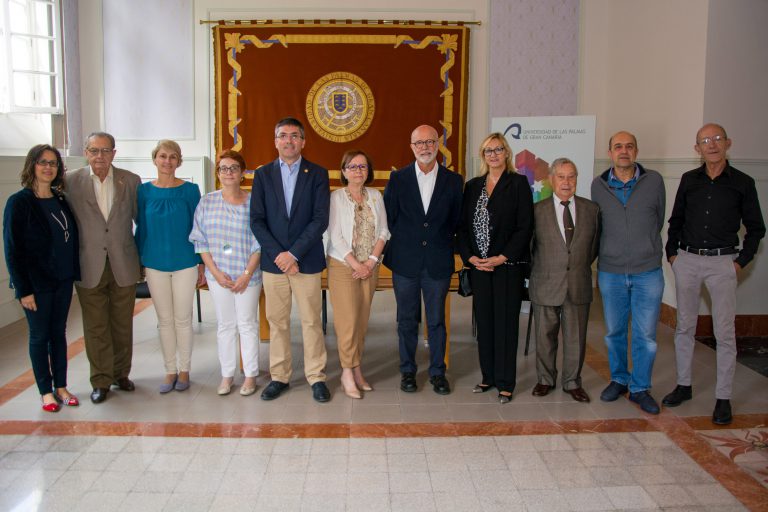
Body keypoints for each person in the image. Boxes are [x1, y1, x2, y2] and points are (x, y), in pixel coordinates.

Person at [663, 123, 765, 425]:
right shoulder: (689, 180)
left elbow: (756, 228)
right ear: (697, 149)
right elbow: (676, 220)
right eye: (705, 141)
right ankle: (683, 385)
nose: (711, 145)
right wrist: (673, 255)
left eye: (717, 139)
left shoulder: (743, 183)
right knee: (684, 327)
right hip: (688, 260)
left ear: (727, 143)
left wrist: (739, 263)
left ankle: (723, 397)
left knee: (724, 333)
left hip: (723, 263)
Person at [250, 117, 331, 403]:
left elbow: (320, 219)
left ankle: (316, 377)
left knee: (311, 321)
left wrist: (293, 254)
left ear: (303, 141)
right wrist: (280, 256)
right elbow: (257, 221)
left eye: (294, 136)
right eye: (282, 136)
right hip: (274, 263)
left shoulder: (318, 174)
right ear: (275, 141)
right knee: (278, 322)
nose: (288, 141)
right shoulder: (262, 175)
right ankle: (280, 376)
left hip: (305, 260)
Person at [383, 124, 463, 395]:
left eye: (430, 142)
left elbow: (456, 221)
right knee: (406, 319)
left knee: (437, 320)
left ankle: (438, 372)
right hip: (405, 263)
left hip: (437, 262)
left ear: (438, 144)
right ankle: (408, 371)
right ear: (412, 147)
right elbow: (389, 218)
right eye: (419, 143)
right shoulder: (398, 179)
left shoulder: (454, 181)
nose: (425, 147)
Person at [591, 131, 666, 414]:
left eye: (629, 146)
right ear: (610, 152)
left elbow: (657, 219)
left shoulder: (654, 181)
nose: (624, 151)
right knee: (614, 331)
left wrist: (642, 247)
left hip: (647, 272)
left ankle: (640, 388)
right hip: (610, 271)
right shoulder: (598, 185)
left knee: (646, 334)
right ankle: (619, 379)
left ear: (636, 151)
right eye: (618, 146)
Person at [65, 132, 141, 404]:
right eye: (94, 150)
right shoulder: (70, 181)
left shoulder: (130, 180)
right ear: (86, 152)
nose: (100, 156)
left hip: (124, 261)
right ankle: (100, 380)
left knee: (122, 324)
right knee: (95, 326)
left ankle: (121, 373)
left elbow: (140, 220)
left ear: (114, 153)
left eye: (105, 150)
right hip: (88, 264)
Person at [3, 145, 81, 412]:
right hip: (36, 284)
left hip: (62, 279)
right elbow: (12, 250)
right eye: (43, 162)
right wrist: (23, 289)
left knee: (58, 334)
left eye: (53, 163)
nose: (48, 168)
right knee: (39, 336)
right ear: (32, 166)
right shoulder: (20, 202)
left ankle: (61, 386)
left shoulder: (60, 199)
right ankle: (45, 392)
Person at [457, 133, 533, 403]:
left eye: (498, 149)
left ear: (507, 153)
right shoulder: (473, 185)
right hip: (479, 268)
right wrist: (470, 258)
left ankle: (505, 382)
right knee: (485, 324)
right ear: (482, 155)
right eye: (488, 150)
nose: (493, 154)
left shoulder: (519, 183)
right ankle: (487, 376)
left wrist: (502, 257)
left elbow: (525, 227)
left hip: (506, 267)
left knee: (506, 325)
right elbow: (462, 228)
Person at [189, 150, 262, 396]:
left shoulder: (254, 202)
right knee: (226, 325)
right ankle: (227, 375)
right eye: (223, 168)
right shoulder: (207, 201)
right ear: (217, 173)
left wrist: (246, 274)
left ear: (242, 173)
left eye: (233, 168)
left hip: (248, 277)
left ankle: (250, 375)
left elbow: (259, 242)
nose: (228, 172)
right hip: (219, 276)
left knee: (248, 324)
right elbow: (200, 241)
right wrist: (216, 273)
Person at [135, 140, 203, 394]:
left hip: (185, 262)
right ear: (155, 159)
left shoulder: (190, 190)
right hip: (154, 263)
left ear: (179, 161)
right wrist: (140, 262)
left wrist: (200, 264)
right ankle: (169, 369)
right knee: (164, 321)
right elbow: (141, 226)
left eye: (173, 157)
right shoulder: (144, 192)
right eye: (163, 156)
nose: (167, 161)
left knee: (183, 319)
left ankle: (184, 369)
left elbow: (198, 230)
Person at [529, 158, 600, 403]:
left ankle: (572, 382)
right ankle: (545, 379)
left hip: (578, 283)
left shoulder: (592, 210)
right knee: (544, 336)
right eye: (561, 176)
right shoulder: (537, 211)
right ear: (551, 179)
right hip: (546, 282)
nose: (567, 182)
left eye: (571, 176)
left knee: (575, 338)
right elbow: (530, 248)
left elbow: (593, 248)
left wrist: (575, 267)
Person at [327, 150, 390, 399]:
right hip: (344, 267)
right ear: (344, 171)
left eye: (362, 167)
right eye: (352, 167)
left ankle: (357, 369)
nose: (357, 171)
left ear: (368, 171)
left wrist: (371, 262)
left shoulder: (375, 196)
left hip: (370, 266)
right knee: (348, 322)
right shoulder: (336, 198)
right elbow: (335, 236)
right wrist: (356, 264)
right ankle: (345, 372)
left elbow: (384, 231)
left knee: (362, 322)